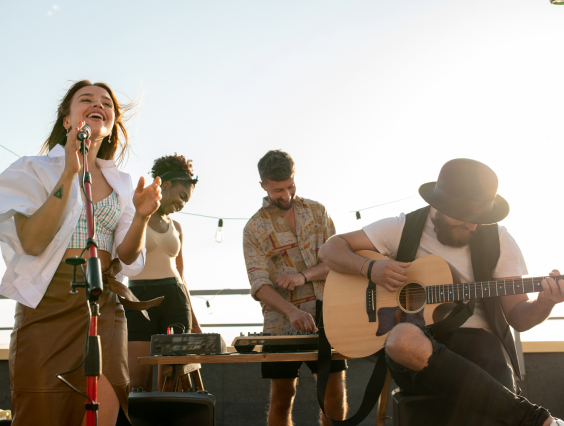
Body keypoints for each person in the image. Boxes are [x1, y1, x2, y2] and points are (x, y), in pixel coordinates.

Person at [319, 158, 564, 426]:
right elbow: (331, 249)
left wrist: (544, 303)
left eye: (478, 219)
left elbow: (518, 317)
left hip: (479, 342)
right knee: (401, 338)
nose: (472, 226)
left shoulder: (499, 239)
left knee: (486, 364)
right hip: (417, 344)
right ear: (440, 205)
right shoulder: (402, 227)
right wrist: (369, 267)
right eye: (464, 218)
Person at [0, 80, 162, 426]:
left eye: (106, 103)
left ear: (112, 123)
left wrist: (143, 217)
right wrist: (71, 172)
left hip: (103, 302)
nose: (97, 104)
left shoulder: (121, 183)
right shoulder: (33, 169)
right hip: (48, 304)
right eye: (86, 99)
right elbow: (31, 242)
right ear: (67, 121)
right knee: (40, 408)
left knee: (103, 410)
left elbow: (128, 256)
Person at [243, 150, 347, 426]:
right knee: (282, 396)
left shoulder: (317, 211)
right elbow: (259, 284)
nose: (286, 195)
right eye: (278, 190)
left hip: (327, 313)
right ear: (263, 185)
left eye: (290, 186)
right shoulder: (253, 228)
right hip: (280, 322)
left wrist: (303, 275)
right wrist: (292, 312)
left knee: (334, 395)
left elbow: (338, 261)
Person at [126, 153, 202, 392]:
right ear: (165, 185)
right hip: (138, 300)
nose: (182, 204)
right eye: (182, 196)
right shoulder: (134, 214)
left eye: (186, 201)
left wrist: (196, 323)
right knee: (137, 384)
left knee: (172, 383)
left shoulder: (176, 227)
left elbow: (181, 275)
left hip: (175, 300)